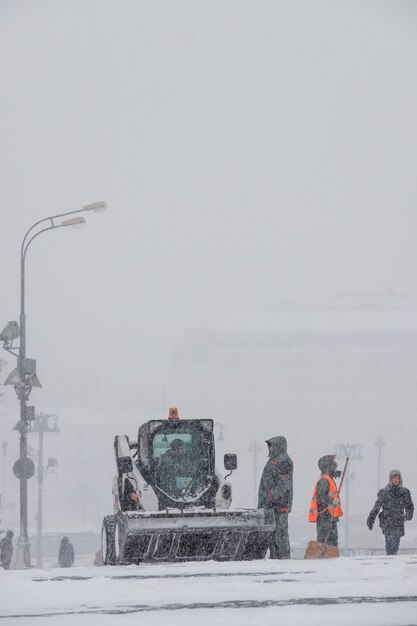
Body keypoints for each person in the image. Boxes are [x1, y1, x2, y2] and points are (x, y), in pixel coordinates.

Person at [258, 436, 294, 559]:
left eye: (272, 445)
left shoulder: (283, 460)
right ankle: (276, 556)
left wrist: (270, 496)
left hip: (278, 504)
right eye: (269, 446)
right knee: (273, 533)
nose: (270, 448)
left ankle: (282, 556)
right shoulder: (275, 459)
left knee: (280, 532)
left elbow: (283, 484)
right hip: (272, 504)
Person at [367, 469, 414, 555]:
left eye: (397, 477)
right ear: (390, 479)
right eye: (393, 477)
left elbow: (409, 506)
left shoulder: (404, 492)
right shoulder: (384, 492)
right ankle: (390, 561)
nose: (395, 479)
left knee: (394, 545)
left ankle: (391, 561)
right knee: (389, 544)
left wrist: (407, 515)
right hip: (387, 522)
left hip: (398, 521)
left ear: (400, 479)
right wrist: (371, 518)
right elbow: (377, 507)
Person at [308, 455, 343, 547]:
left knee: (332, 542)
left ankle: (330, 558)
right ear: (329, 468)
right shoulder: (324, 480)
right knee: (325, 541)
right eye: (335, 468)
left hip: (329, 516)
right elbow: (320, 497)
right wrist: (332, 501)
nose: (336, 470)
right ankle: (323, 559)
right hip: (325, 517)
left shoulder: (329, 479)